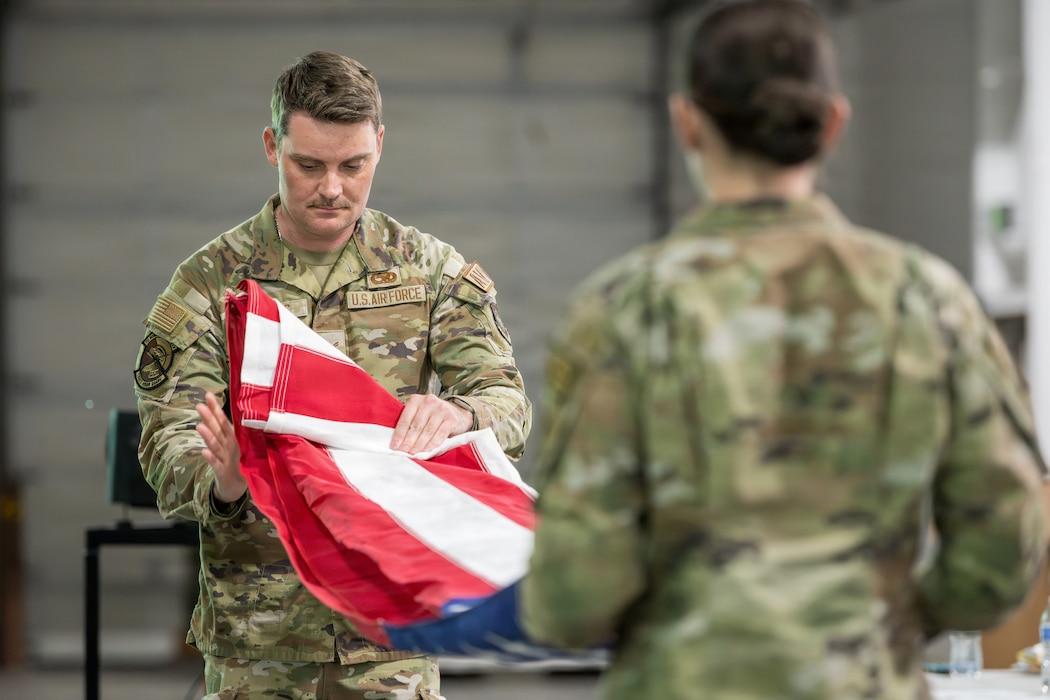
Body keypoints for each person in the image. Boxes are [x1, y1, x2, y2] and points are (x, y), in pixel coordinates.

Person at [520, 1, 1049, 699]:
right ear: (833, 121)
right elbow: (1003, 551)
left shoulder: (625, 309)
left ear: (687, 122)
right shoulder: (927, 299)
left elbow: (572, 597)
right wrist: (885, 621)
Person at [133, 50, 532, 700]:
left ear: (380, 145)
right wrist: (226, 483)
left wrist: (463, 415)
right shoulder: (210, 282)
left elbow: (506, 401)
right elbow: (166, 439)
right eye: (308, 165)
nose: (331, 188)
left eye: (354, 166)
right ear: (271, 146)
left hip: (389, 638)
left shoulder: (427, 271)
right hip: (258, 644)